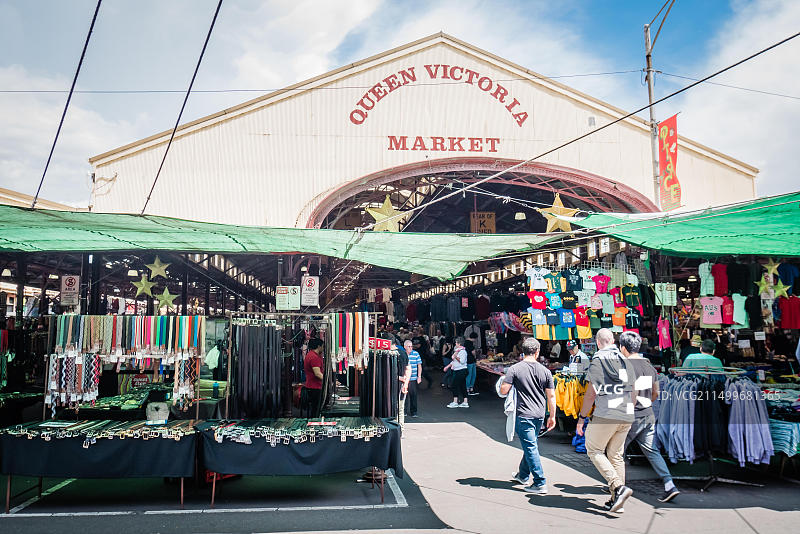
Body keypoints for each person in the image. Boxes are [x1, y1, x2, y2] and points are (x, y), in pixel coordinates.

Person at [576, 328, 635, 513]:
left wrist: (581, 418)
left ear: (598, 342)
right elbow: (633, 390)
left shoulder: (598, 360)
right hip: (626, 413)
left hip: (606, 413)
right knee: (616, 456)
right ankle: (616, 501)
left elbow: (591, 394)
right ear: (613, 340)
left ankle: (618, 487)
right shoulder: (626, 360)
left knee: (593, 449)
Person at [620, 331, 680, 503]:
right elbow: (656, 392)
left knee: (617, 451)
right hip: (648, 413)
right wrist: (645, 402)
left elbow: (632, 391)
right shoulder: (649, 366)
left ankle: (618, 486)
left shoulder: (626, 366)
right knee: (652, 451)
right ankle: (669, 484)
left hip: (632, 415)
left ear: (623, 348)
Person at [500, 337, 556, 495]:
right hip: (539, 414)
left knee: (530, 447)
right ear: (537, 352)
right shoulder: (545, 371)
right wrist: (552, 416)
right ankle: (523, 475)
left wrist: (506, 380)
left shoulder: (515, 369)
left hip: (524, 413)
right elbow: (551, 396)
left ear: (522, 352)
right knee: (530, 444)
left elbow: (504, 390)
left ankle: (540, 482)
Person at [303, 338, 325, 417]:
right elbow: (317, 374)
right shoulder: (314, 357)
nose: (323, 349)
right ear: (319, 346)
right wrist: (328, 381)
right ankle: (314, 423)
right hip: (315, 387)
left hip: (312, 386)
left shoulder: (310, 355)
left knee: (315, 408)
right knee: (316, 409)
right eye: (322, 346)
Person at [445, 337, 469, 408]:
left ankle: (455, 401)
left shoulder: (463, 352)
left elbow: (462, 361)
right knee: (462, 386)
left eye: (456, 342)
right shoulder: (458, 350)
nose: (455, 344)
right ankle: (465, 402)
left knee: (454, 385)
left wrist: (455, 357)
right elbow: (454, 361)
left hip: (461, 370)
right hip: (458, 370)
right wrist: (448, 366)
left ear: (459, 343)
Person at [404, 340, 422, 417]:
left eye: (412, 346)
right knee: (404, 396)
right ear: (405, 347)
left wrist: (419, 376)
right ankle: (404, 411)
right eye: (409, 346)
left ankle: (414, 412)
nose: (411, 348)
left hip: (413, 378)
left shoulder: (416, 354)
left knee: (413, 395)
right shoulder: (403, 354)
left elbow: (419, 365)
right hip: (404, 379)